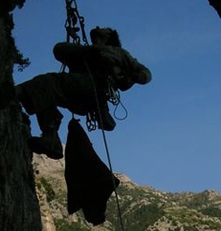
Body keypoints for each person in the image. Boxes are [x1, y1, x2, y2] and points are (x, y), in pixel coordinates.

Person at [15, 26, 152, 159]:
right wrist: (85, 51)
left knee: (48, 83)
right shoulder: (88, 51)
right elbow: (59, 50)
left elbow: (145, 73)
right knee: (45, 94)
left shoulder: (119, 53)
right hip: (80, 92)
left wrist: (134, 77)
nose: (99, 27)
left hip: (92, 87)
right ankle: (51, 137)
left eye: (104, 29)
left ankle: (13, 93)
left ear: (109, 35)